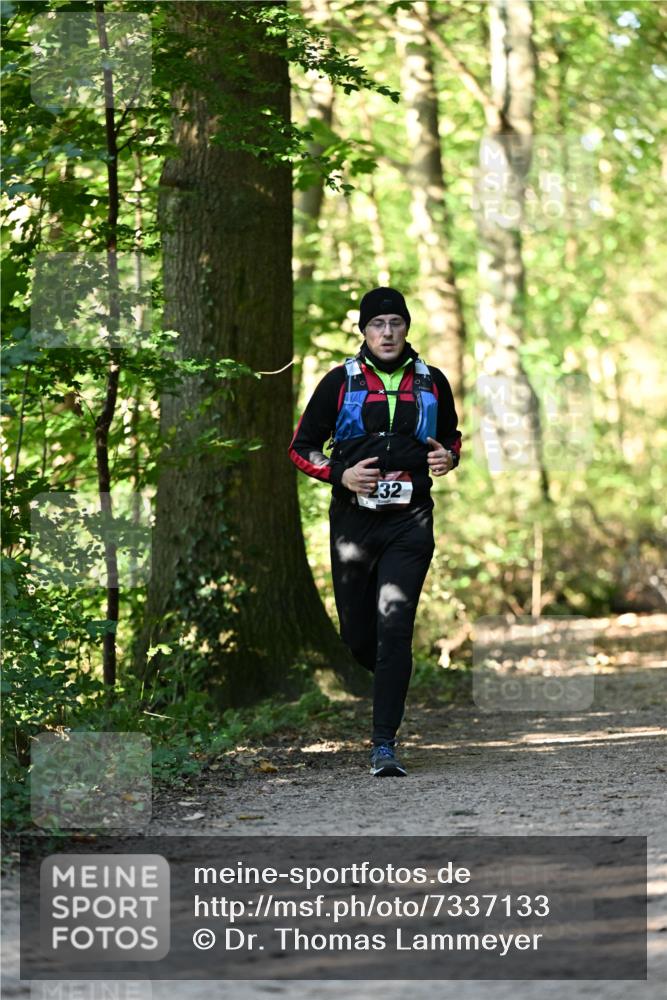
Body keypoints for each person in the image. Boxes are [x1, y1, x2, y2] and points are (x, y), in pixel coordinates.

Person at [288, 287, 461, 777]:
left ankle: (384, 744)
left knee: (395, 626)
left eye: (396, 323)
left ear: (407, 328)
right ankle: (393, 673)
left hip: (410, 521)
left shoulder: (432, 381)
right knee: (360, 638)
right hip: (354, 525)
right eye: (378, 324)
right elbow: (302, 448)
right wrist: (338, 474)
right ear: (363, 331)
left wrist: (448, 458)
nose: (387, 333)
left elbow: (450, 436)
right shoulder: (339, 381)